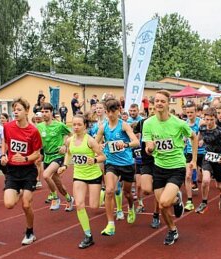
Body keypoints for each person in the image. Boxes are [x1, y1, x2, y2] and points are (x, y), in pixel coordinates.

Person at [143, 90, 198, 245]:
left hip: (176, 167)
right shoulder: (148, 123)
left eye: (163, 101)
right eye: (157, 101)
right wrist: (150, 148)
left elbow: (194, 137)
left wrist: (193, 159)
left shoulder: (179, 123)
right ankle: (173, 230)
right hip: (159, 167)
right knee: (162, 207)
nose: (159, 103)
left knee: (163, 203)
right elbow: (148, 145)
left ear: (168, 103)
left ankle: (176, 199)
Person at [58, 115, 106, 249]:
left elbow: (103, 156)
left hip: (94, 175)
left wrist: (95, 160)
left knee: (95, 207)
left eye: (79, 124)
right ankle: (88, 235)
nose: (76, 127)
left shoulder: (90, 141)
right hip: (79, 175)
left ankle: (102, 193)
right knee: (79, 204)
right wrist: (65, 166)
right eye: (74, 124)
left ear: (85, 126)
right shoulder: (69, 140)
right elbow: (68, 153)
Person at [95, 98, 140, 236]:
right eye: (108, 112)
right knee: (109, 191)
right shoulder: (103, 127)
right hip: (111, 163)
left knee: (127, 193)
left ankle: (131, 207)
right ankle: (110, 224)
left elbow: (136, 142)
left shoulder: (124, 125)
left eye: (113, 111)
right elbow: (95, 143)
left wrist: (125, 144)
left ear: (118, 111)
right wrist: (100, 146)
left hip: (126, 164)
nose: (110, 114)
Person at [1, 98, 42, 245]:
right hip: (12, 170)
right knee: (9, 204)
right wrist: (4, 155)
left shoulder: (33, 131)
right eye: (14, 110)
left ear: (26, 111)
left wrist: (25, 159)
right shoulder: (8, 127)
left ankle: (30, 232)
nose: (15, 112)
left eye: (19, 110)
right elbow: (5, 142)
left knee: (26, 205)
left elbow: (37, 154)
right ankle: (18, 191)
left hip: (28, 171)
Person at [195, 107, 221, 214]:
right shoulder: (202, 128)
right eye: (206, 119)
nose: (208, 122)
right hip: (207, 157)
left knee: (219, 185)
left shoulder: (220, 132)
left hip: (219, 159)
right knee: (205, 180)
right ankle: (204, 203)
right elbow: (197, 138)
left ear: (215, 119)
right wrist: (200, 141)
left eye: (211, 120)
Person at [37, 103, 74, 211]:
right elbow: (38, 142)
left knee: (46, 175)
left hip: (58, 156)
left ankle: (55, 197)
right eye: (42, 112)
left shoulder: (59, 125)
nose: (44, 114)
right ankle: (69, 198)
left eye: (46, 112)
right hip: (47, 157)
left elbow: (71, 135)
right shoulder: (39, 126)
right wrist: (39, 153)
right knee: (59, 184)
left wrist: (65, 145)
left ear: (51, 112)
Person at [133, 101, 161, 228]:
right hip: (146, 159)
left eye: (154, 108)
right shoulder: (142, 122)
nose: (152, 111)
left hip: (161, 159)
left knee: (157, 189)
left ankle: (156, 215)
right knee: (145, 189)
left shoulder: (164, 123)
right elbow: (134, 134)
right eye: (150, 109)